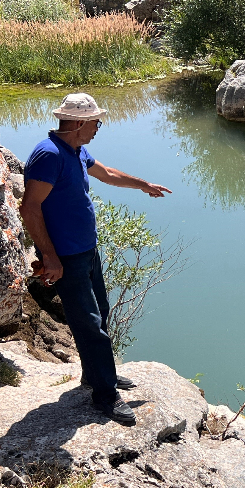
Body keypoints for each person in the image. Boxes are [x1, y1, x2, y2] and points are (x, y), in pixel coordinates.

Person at [19, 93, 172, 424]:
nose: (98, 128)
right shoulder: (48, 155)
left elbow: (108, 174)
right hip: (66, 257)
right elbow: (29, 208)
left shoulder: (76, 150)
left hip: (87, 250)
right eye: (96, 123)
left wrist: (143, 184)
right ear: (78, 123)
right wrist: (50, 256)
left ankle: (97, 375)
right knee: (88, 323)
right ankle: (105, 395)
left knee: (100, 313)